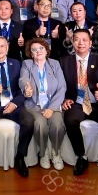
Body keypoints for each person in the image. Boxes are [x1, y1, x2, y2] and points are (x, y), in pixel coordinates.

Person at [60, 29, 98, 176]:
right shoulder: (64, 61)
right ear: (72, 42)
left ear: (90, 43)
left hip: (97, 104)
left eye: (84, 40)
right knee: (70, 120)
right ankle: (81, 156)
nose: (81, 43)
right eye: (77, 39)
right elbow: (60, 85)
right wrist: (64, 99)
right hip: (77, 103)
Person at [0, 36, 33, 178]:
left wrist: (15, 103)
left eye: (2, 46)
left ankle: (20, 157)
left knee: (29, 120)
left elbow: (21, 90)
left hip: (13, 103)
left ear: (7, 48)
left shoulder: (17, 64)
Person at [19, 38, 67, 171]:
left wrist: (51, 109)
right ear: (31, 53)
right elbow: (23, 79)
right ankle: (43, 152)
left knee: (57, 124)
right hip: (34, 105)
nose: (38, 51)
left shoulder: (55, 64)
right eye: (34, 50)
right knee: (40, 125)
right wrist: (26, 89)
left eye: (41, 48)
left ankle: (56, 153)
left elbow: (62, 88)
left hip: (53, 104)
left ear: (46, 50)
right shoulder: (27, 64)